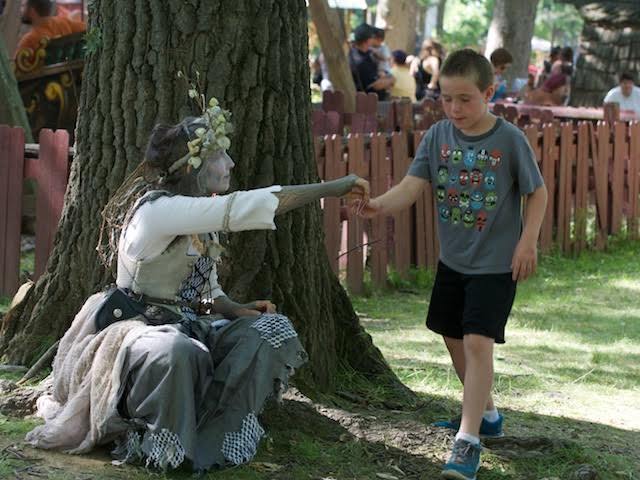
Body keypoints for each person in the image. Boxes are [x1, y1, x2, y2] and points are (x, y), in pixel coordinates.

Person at [25, 94, 369, 472]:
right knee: (178, 351)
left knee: (270, 329)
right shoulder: (159, 211)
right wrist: (331, 188)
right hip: (134, 329)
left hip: (188, 324)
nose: (231, 164)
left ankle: (215, 436)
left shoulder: (200, 216)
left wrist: (236, 309)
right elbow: (239, 208)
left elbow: (203, 296)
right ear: (192, 165)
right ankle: (161, 444)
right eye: (221, 155)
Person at [356, 49, 547, 480]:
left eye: (465, 99)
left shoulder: (509, 140)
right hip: (452, 261)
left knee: (478, 343)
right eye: (446, 99)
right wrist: (376, 206)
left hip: (496, 264)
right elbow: (410, 186)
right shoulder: (438, 136)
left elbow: (537, 192)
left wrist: (527, 242)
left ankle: (468, 441)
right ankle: (488, 415)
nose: (455, 109)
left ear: (489, 93)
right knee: (453, 336)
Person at [16, 0, 85, 58]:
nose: (20, 10)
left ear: (32, 11)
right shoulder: (65, 22)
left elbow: (15, 71)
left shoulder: (28, 41)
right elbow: (88, 31)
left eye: (23, 6)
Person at [349, 23, 394, 101]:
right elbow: (376, 85)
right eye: (373, 37)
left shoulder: (359, 52)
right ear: (369, 40)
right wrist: (392, 79)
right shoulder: (361, 61)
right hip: (368, 104)